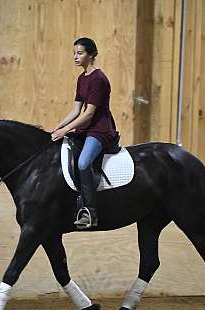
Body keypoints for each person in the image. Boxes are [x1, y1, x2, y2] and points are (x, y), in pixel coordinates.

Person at [50, 37, 118, 229]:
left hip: (100, 130)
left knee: (83, 162)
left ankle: (90, 211)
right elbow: (76, 110)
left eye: (79, 53)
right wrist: (58, 127)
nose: (75, 57)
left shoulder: (99, 79)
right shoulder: (82, 78)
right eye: (74, 53)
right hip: (85, 129)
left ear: (91, 54)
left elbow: (89, 114)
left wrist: (66, 130)